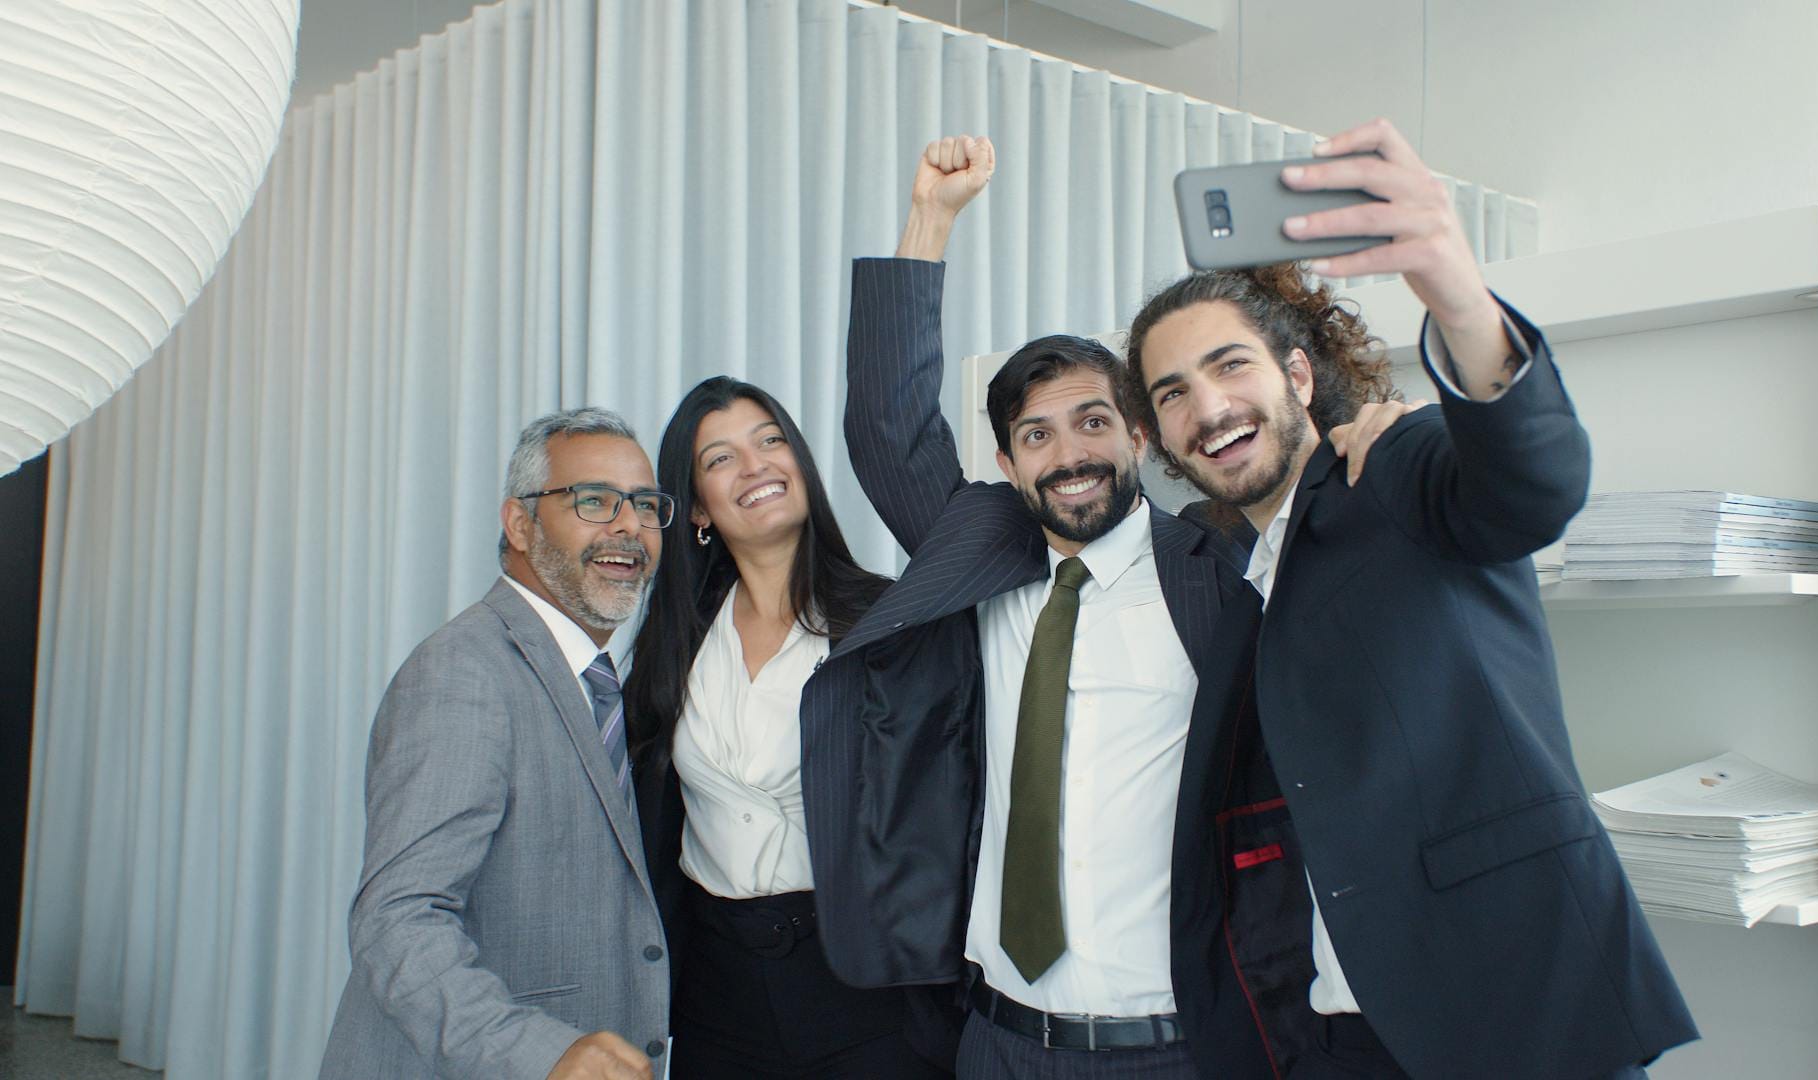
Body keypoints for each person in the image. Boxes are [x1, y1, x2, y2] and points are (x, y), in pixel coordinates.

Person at [801, 135, 1408, 1079]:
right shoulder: (981, 550)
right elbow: (886, 427)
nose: (1069, 453)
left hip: (1170, 1048)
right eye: (1036, 435)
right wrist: (932, 216)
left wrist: (1376, 445)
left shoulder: (1219, 574)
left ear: (1139, 432)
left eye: (1093, 422)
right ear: (1006, 466)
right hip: (993, 1038)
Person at [1123, 117, 1699, 1079]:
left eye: (1231, 367)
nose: (1209, 407)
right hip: (1335, 1034)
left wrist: (1454, 290)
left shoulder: (1393, 465)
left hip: (1512, 1012)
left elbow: (1536, 484)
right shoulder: (1230, 567)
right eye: (1173, 393)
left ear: (1298, 377)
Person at [321, 408, 673, 1080]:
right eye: (595, 500)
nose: (629, 525)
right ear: (520, 525)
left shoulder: (597, 682)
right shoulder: (463, 673)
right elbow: (397, 920)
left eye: (646, 505)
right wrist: (539, 1053)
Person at [623, 377, 947, 1078]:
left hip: (862, 987)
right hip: (717, 989)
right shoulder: (673, 641)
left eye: (771, 441)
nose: (756, 465)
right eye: (721, 458)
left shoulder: (887, 619)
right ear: (699, 509)